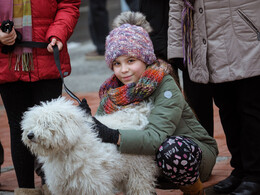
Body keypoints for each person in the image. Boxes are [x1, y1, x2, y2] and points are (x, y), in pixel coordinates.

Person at [80, 11, 218, 195]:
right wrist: (86, 121)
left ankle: (195, 191)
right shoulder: (112, 93)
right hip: (148, 164)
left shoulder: (164, 83)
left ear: (145, 58)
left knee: (171, 150)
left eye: (131, 60)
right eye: (117, 64)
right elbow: (99, 136)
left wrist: (113, 135)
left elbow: (156, 138)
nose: (124, 70)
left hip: (189, 157)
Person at [168, 0, 260, 194]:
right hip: (206, 39)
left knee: (251, 108)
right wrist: (177, 49)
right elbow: (177, 4)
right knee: (227, 108)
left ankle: (255, 173)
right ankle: (241, 169)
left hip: (245, 34)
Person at [0, 0, 80, 194]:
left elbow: (68, 4)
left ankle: (52, 187)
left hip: (47, 56)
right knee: (18, 128)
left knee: (50, 128)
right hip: (7, 62)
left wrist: (58, 33)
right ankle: (25, 189)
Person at [167, 0, 214, 137]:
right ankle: (203, 152)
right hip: (190, 46)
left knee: (230, 106)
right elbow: (176, 7)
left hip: (222, 42)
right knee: (195, 106)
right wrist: (175, 52)